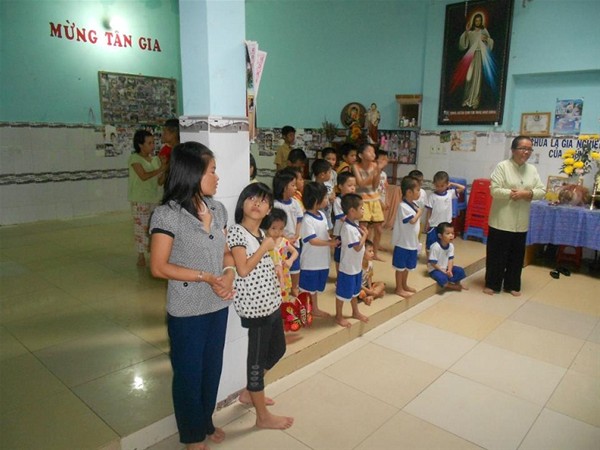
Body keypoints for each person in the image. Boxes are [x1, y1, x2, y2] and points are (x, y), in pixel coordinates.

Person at [149, 141, 235, 450]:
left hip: (217, 303)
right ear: (193, 173)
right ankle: (192, 435)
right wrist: (205, 277)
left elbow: (226, 252)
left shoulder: (218, 209)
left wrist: (228, 274)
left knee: (212, 368)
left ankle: (205, 421)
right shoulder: (167, 215)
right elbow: (158, 267)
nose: (217, 177)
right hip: (186, 310)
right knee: (188, 374)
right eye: (212, 171)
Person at [227, 182, 294, 430]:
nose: (257, 203)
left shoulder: (262, 235)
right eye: (252, 198)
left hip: (271, 302)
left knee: (277, 349)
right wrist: (265, 247)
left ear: (268, 210)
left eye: (264, 201)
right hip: (255, 308)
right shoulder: (237, 232)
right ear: (242, 203)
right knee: (256, 362)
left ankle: (249, 393)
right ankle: (262, 416)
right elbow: (243, 269)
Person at [484, 136, 545, 296]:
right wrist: (513, 194)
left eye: (529, 149)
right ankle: (492, 284)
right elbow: (494, 190)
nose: (526, 152)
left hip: (521, 222)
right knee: (497, 255)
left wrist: (528, 193)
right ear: (513, 150)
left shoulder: (532, 170)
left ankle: (512, 285)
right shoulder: (502, 166)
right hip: (501, 220)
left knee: (516, 256)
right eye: (523, 148)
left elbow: (541, 191)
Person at [128, 130, 166, 267]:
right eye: (149, 143)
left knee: (154, 227)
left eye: (153, 142)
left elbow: (160, 182)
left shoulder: (155, 160)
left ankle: (155, 253)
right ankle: (141, 255)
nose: (153, 146)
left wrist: (165, 170)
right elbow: (143, 176)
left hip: (154, 199)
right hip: (140, 199)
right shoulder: (135, 158)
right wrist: (161, 168)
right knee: (141, 228)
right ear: (140, 145)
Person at [299, 182, 337, 317]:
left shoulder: (321, 215)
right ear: (316, 200)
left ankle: (314, 308)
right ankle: (303, 310)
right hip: (310, 262)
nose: (327, 199)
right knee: (306, 288)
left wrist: (332, 240)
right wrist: (329, 243)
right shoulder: (307, 219)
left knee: (315, 287)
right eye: (325, 197)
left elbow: (324, 234)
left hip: (322, 260)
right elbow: (312, 240)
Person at [335, 193, 369, 327]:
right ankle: (338, 316)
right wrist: (365, 236)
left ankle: (355, 311)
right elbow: (357, 247)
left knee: (355, 291)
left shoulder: (354, 225)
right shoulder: (348, 228)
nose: (363, 210)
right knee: (342, 293)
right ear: (352, 211)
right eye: (361, 208)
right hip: (347, 268)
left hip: (356, 267)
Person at [452, 12, 494, 110]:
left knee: (477, 78)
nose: (477, 22)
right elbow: (463, 45)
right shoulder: (470, 32)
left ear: (481, 21)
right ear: (473, 21)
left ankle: (475, 100)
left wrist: (486, 39)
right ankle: (466, 99)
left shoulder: (483, 31)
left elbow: (490, 42)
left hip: (479, 55)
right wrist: (466, 32)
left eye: (479, 20)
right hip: (470, 55)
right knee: (469, 78)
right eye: (476, 20)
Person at [273, 169, 303, 296]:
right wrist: (285, 238)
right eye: (293, 185)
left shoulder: (295, 203)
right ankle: (283, 286)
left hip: (294, 240)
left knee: (295, 265)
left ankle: (294, 287)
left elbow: (299, 219)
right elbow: (275, 226)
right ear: (284, 187)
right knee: (282, 264)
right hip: (281, 241)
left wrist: (296, 235)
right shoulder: (276, 205)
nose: (295, 188)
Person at [353, 144, 386, 260]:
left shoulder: (374, 165)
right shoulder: (355, 166)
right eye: (369, 151)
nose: (373, 154)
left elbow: (375, 185)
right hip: (362, 200)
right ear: (361, 155)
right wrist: (374, 172)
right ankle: (362, 253)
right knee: (363, 228)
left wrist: (378, 170)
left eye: (373, 152)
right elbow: (361, 184)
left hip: (374, 199)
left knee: (379, 229)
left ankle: (374, 253)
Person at [392, 176, 422, 297]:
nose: (419, 192)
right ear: (409, 192)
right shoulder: (403, 206)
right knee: (400, 267)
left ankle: (404, 285)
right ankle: (398, 288)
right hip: (403, 243)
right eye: (417, 190)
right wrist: (419, 212)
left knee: (407, 266)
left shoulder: (413, 204)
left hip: (412, 242)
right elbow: (412, 221)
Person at [262, 207, 299, 302]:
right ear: (267, 226)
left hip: (284, 275)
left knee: (284, 299)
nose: (277, 231)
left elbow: (295, 252)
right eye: (273, 228)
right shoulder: (264, 242)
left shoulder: (284, 241)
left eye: (281, 228)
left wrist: (290, 260)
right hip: (269, 278)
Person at [424, 171, 465, 253]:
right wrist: (427, 222)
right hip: (434, 224)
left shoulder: (450, 193)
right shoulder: (432, 196)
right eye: (437, 186)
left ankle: (441, 257)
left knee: (444, 243)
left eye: (442, 186)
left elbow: (462, 188)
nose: (439, 188)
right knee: (430, 244)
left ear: (447, 184)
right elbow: (429, 210)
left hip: (446, 225)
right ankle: (429, 258)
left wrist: (452, 184)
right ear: (434, 184)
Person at [427, 222, 468, 291]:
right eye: (448, 233)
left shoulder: (451, 246)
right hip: (435, 269)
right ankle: (452, 286)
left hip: (445, 267)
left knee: (460, 271)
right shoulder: (435, 247)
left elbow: (450, 259)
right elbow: (433, 263)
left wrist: (449, 270)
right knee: (441, 278)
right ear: (440, 236)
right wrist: (442, 270)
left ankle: (457, 283)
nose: (451, 235)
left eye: (452, 233)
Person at [332, 172, 357, 276]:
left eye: (354, 185)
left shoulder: (355, 200)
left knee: (350, 253)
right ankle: (339, 276)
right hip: (340, 233)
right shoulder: (338, 201)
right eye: (349, 185)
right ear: (340, 186)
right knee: (339, 256)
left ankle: (348, 273)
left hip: (353, 232)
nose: (353, 188)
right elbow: (343, 218)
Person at [359, 239, 386, 305]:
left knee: (382, 284)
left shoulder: (370, 263)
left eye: (373, 251)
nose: (372, 253)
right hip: (358, 287)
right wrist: (369, 291)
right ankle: (373, 295)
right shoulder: (358, 266)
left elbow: (369, 276)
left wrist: (370, 287)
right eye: (370, 251)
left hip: (366, 286)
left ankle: (371, 297)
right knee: (361, 293)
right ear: (362, 253)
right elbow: (357, 284)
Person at [408, 169, 428, 253]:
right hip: (410, 219)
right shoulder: (408, 192)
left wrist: (425, 220)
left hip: (420, 220)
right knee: (409, 236)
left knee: (417, 236)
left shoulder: (423, 192)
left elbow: (424, 206)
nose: (421, 183)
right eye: (419, 181)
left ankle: (415, 251)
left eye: (421, 180)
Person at [311, 158, 334, 230]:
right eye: (329, 172)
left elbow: (333, 194)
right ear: (322, 175)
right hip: (317, 217)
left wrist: (332, 197)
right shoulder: (314, 188)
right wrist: (328, 198)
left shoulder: (329, 185)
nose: (330, 174)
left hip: (328, 215)